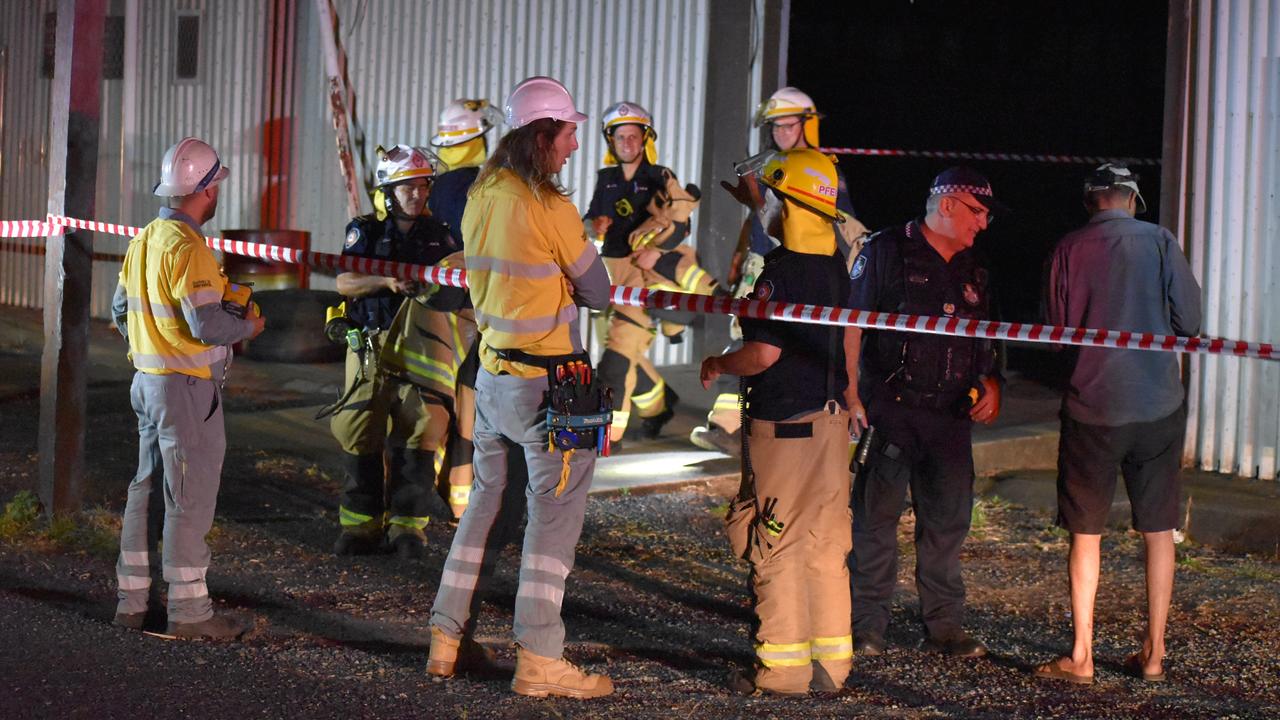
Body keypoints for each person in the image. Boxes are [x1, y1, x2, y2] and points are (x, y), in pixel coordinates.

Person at [427, 76, 614, 699]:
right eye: (568, 134)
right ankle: (539, 659)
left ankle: (446, 638)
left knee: (483, 510)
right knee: (552, 522)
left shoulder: (481, 192)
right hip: (548, 388)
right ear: (543, 135)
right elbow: (598, 291)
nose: (574, 146)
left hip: (493, 377)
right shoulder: (549, 205)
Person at [1033, 163, 1201, 685]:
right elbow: (1189, 323)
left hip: (1092, 408)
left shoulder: (1066, 249)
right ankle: (1154, 654)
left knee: (1086, 533)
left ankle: (1081, 656)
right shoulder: (1159, 242)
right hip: (1157, 405)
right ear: (1131, 200)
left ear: (1091, 202)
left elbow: (1055, 336)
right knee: (1159, 532)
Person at [701, 148, 854, 695]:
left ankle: (784, 670)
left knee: (777, 545)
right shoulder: (835, 263)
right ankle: (831, 669)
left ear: (788, 203)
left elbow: (763, 355)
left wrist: (720, 364)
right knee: (826, 547)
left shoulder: (782, 274)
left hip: (784, 429)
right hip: (832, 426)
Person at [846, 166, 1005, 658]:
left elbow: (987, 339)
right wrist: (851, 394)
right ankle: (866, 626)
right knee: (874, 523)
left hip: (951, 418)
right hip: (891, 412)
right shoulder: (885, 251)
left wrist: (993, 383)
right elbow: (850, 324)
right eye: (979, 213)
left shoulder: (973, 268)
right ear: (949, 204)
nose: (984, 225)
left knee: (947, 526)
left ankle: (945, 627)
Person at [110, 137, 266, 639]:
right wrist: (248, 328)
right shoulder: (190, 248)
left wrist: (152, 340)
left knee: (147, 489)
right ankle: (191, 615)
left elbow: (119, 312)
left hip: (147, 383)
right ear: (205, 189)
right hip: (186, 390)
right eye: (216, 184)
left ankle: (132, 603)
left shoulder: (145, 240)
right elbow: (208, 328)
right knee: (188, 498)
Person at [691, 86, 866, 456]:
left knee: (765, 343)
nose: (781, 134)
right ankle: (728, 423)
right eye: (775, 128)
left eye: (788, 127)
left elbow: (831, 226)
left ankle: (732, 424)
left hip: (794, 273)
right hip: (764, 263)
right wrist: (742, 252)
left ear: (806, 126)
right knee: (747, 333)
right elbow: (763, 219)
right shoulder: (772, 165)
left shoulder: (819, 171)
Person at [329, 144, 458, 558]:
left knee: (421, 430)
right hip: (370, 342)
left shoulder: (440, 235)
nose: (417, 195)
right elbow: (344, 283)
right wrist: (386, 282)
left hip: (421, 348)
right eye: (408, 188)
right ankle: (360, 527)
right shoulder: (364, 231)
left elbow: (457, 284)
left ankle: (407, 529)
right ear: (387, 192)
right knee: (358, 427)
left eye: (423, 187)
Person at [585, 101, 716, 445]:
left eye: (633, 136)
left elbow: (680, 224)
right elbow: (589, 219)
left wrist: (656, 252)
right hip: (608, 274)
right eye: (620, 137)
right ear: (610, 141)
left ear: (645, 139)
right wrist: (592, 225)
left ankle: (605, 436)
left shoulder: (660, 177)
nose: (627, 143)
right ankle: (659, 406)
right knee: (623, 350)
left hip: (641, 278)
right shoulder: (606, 179)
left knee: (615, 359)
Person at [423, 97, 503, 521]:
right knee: (470, 390)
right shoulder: (488, 184)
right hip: (484, 301)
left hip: (448, 302)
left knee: (450, 391)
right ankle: (460, 493)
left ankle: (443, 487)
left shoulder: (442, 186)